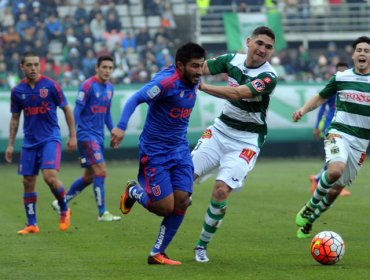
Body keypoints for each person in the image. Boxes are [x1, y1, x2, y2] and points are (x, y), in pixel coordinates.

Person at [110, 42, 206, 265]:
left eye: (201, 66)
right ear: (180, 66)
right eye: (195, 66)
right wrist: (121, 126)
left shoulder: (195, 74)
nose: (200, 71)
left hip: (180, 149)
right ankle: (134, 191)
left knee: (183, 201)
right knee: (164, 208)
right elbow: (135, 99)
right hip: (155, 152)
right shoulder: (165, 83)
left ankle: (157, 253)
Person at [191, 26, 278, 263]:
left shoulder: (269, 77)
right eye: (259, 43)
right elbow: (203, 67)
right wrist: (186, 71)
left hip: (247, 141)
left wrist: (205, 87)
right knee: (182, 180)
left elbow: (239, 93)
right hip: (220, 132)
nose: (262, 49)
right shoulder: (232, 60)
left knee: (221, 191)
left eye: (268, 47)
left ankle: (201, 245)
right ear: (249, 42)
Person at [294, 36, 370, 239]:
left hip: (360, 144)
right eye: (359, 50)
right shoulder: (342, 77)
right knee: (335, 171)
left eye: (367, 50)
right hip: (339, 133)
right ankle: (309, 207)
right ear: (353, 55)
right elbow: (320, 97)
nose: (363, 53)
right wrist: (303, 109)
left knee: (336, 190)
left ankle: (310, 220)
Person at [5, 51, 77, 234]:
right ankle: (32, 224)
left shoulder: (51, 86)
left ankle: (64, 207)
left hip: (50, 138)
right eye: (29, 65)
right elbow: (15, 118)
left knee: (49, 177)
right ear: (22, 67)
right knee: (28, 181)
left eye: (36, 64)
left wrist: (72, 136)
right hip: (29, 141)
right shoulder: (18, 91)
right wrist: (11, 144)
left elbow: (67, 109)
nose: (33, 68)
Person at [52, 55, 121, 222]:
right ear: (97, 68)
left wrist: (113, 131)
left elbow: (107, 114)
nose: (107, 71)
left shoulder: (110, 88)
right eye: (104, 67)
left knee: (89, 176)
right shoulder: (88, 86)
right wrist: (73, 135)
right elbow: (76, 111)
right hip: (85, 135)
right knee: (101, 170)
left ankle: (61, 201)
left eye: (110, 68)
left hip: (98, 136)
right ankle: (102, 213)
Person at [309, 62, 351, 197]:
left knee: (340, 157)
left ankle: (316, 178)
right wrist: (317, 126)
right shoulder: (332, 88)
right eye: (340, 72)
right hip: (332, 126)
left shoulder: (351, 89)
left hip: (345, 126)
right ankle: (334, 185)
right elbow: (322, 108)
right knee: (337, 158)